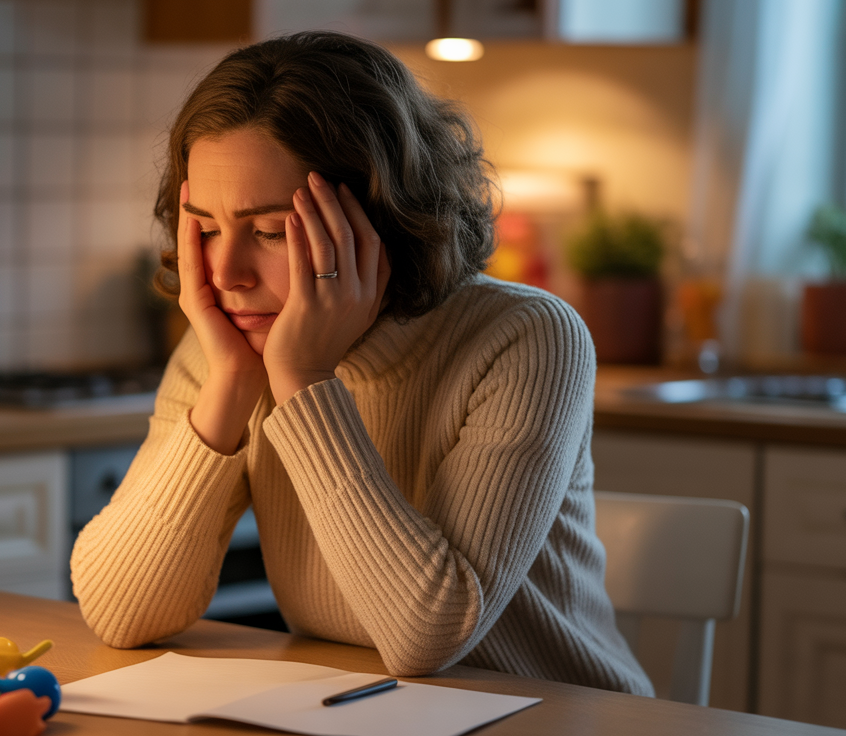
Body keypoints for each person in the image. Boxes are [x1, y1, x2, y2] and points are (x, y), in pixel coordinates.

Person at [70, 31, 652, 696]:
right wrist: (232, 384)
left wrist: (303, 383)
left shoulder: (528, 339)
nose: (225, 273)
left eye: (266, 233)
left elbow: (426, 635)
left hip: (562, 718)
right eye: (204, 229)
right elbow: (121, 611)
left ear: (378, 222)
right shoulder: (226, 351)